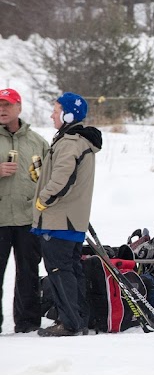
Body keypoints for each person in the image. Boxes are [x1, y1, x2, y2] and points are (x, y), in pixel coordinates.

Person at [33, 93, 102, 337]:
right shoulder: (73, 141)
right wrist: (41, 177)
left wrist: (43, 199)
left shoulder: (70, 142)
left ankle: (70, 323)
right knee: (71, 271)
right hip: (69, 220)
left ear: (68, 114)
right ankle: (77, 319)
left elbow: (63, 181)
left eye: (56, 110)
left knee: (59, 272)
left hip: (60, 220)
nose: (52, 114)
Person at [0, 88, 48, 333]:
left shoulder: (37, 142)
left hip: (28, 219)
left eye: (7, 105)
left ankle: (28, 322)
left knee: (28, 274)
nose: (2, 109)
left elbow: (50, 177)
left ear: (19, 107)